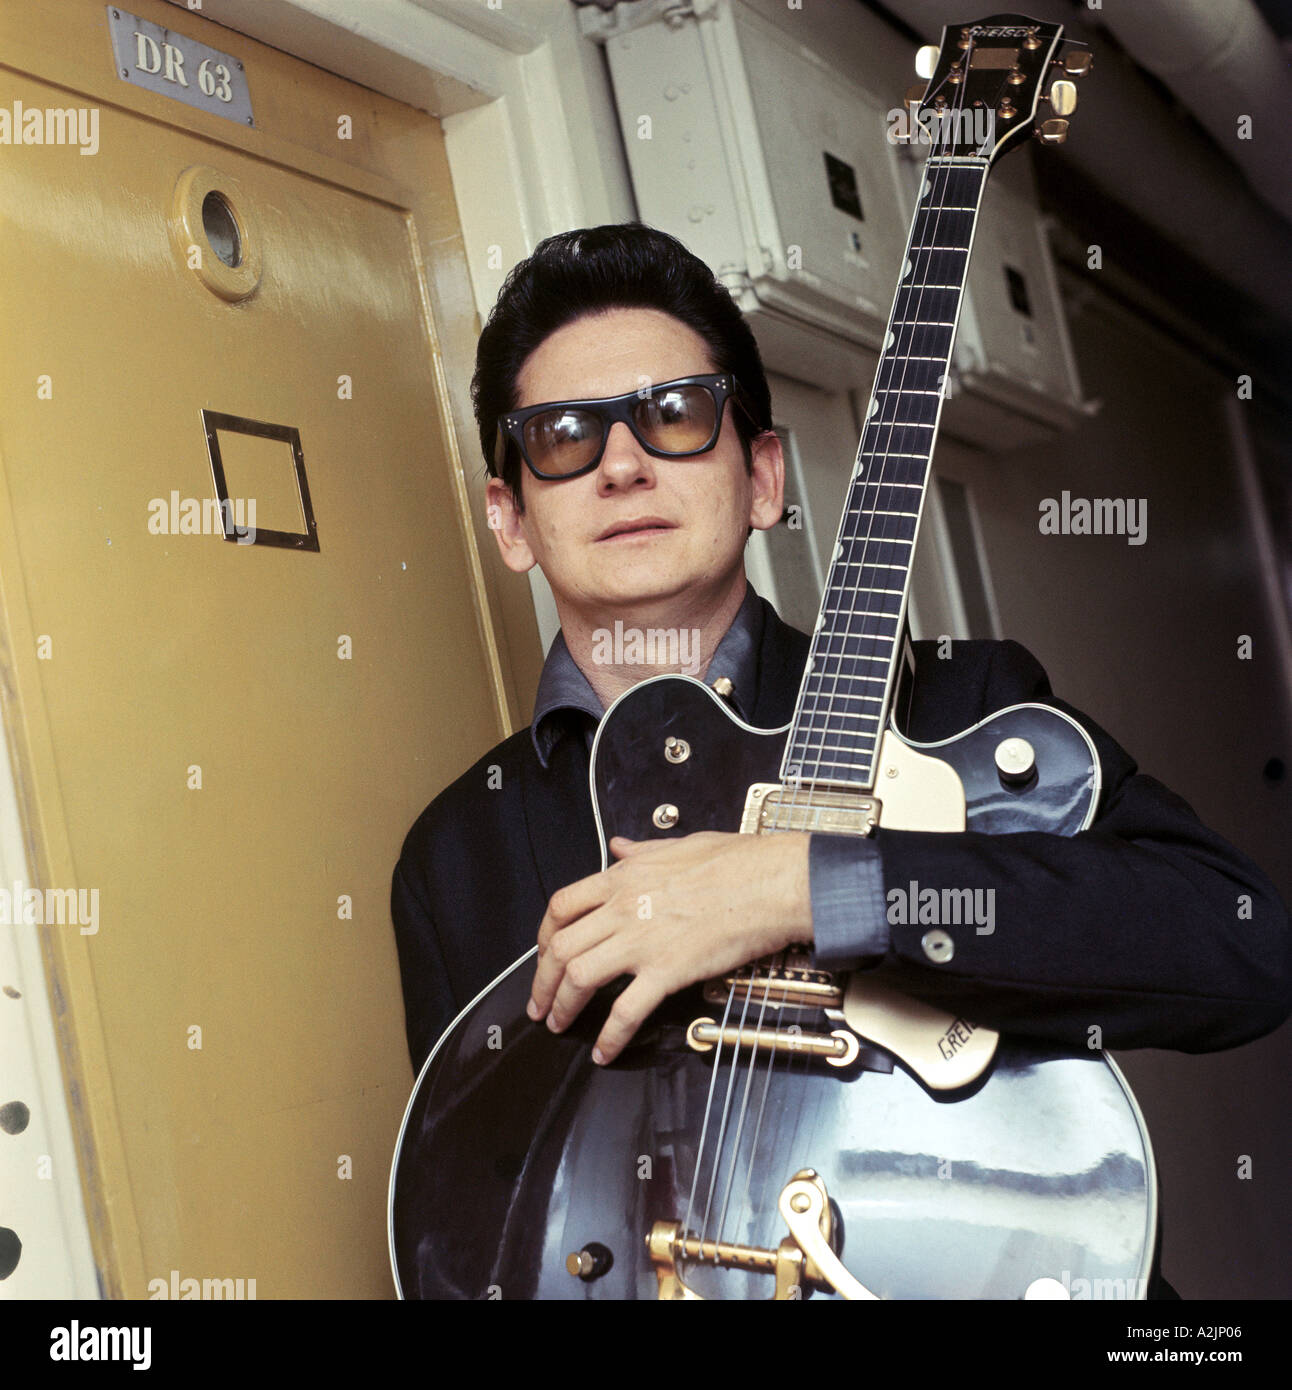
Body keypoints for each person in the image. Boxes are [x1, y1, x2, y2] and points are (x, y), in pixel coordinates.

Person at [389, 221, 1291, 1297]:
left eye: (674, 416)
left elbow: (1237, 946)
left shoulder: (962, 703)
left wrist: (806, 885)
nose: (621, 464)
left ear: (763, 476)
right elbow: (474, 1225)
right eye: (563, 437)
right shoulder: (458, 850)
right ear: (509, 518)